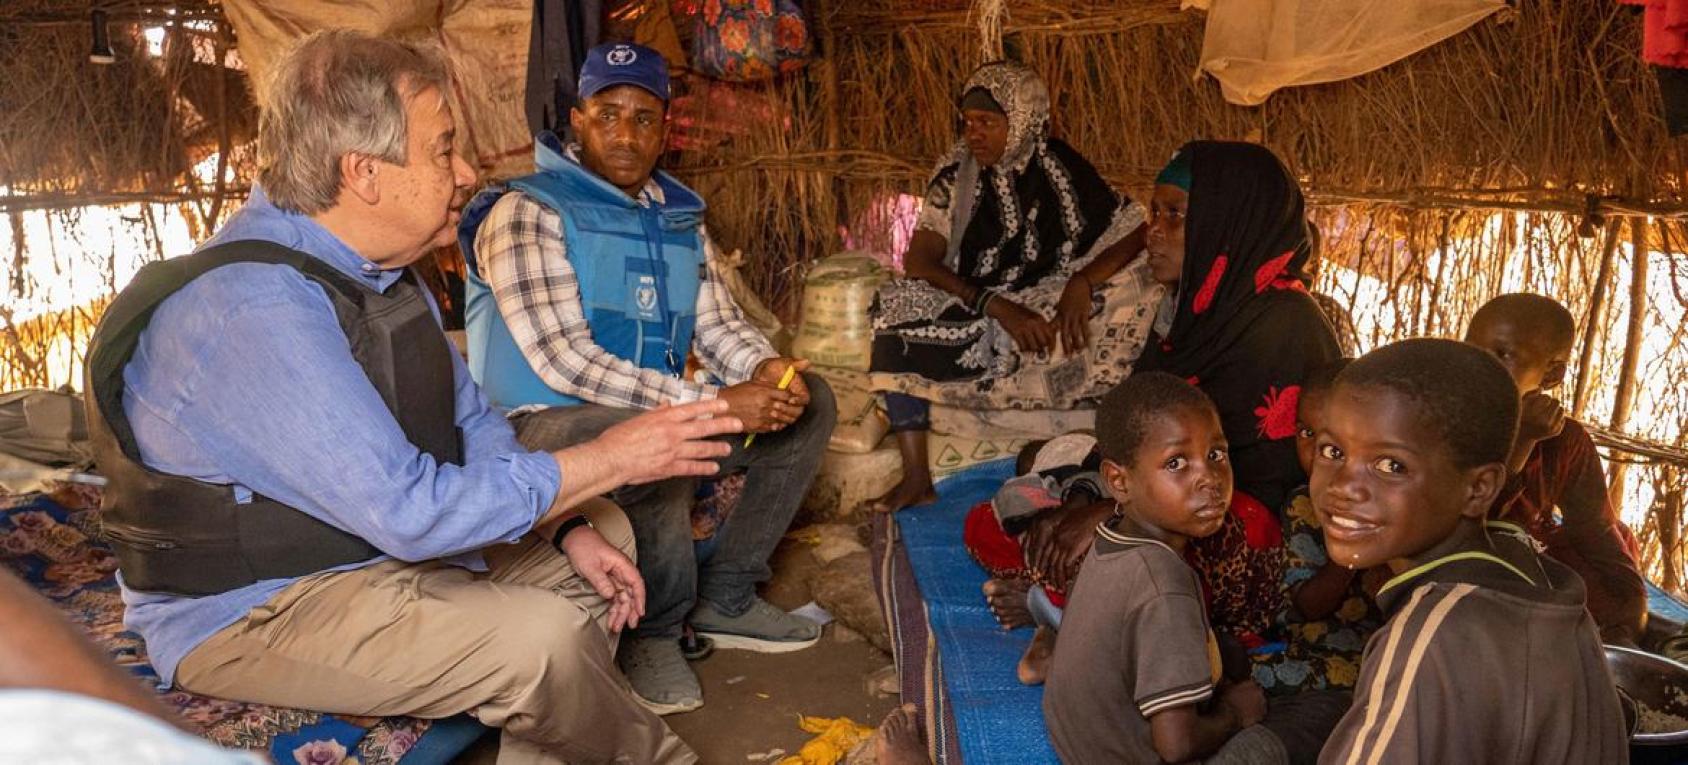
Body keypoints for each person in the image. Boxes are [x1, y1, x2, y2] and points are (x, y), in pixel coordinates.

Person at [85, 31, 733, 764]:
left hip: (365, 548)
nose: (464, 173)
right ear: (364, 173)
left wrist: (563, 527)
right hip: (262, 604)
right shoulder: (255, 309)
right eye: (444, 149)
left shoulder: (383, 272)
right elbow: (414, 514)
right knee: (540, 638)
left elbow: (473, 421)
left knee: (603, 531)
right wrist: (614, 454)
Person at [459, 42, 833, 715]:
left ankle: (725, 594)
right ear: (577, 120)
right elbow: (564, 361)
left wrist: (762, 368)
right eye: (608, 115)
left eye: (643, 118)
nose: (626, 134)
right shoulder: (526, 211)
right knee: (653, 439)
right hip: (538, 426)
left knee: (811, 405)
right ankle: (655, 628)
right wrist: (715, 401)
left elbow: (716, 323)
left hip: (656, 412)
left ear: (666, 126)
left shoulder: (676, 216)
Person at [1313, 339, 1628, 764]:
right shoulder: (1535, 578)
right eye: (1332, 451)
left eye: (1391, 465)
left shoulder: (1433, 635)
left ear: (1478, 489)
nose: (1342, 486)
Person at [864, 60, 1150, 513]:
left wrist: (1081, 282)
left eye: (987, 123)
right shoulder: (955, 176)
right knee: (896, 305)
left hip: (1052, 294)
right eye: (968, 123)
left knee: (1144, 282)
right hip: (978, 298)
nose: (974, 133)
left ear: (1021, 122)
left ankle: (1097, 426)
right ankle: (918, 475)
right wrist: (994, 304)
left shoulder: (1060, 167)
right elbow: (919, 260)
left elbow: (1133, 228)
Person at [1045, 372, 1332, 764]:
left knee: (1227, 651)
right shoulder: (1164, 586)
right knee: (1320, 715)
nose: (1209, 479)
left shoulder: (1111, 541)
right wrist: (1235, 713)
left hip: (1082, 747)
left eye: (1216, 454)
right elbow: (1177, 746)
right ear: (1119, 481)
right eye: (1177, 462)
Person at [1461, 293, 1647, 644]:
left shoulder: (1565, 439)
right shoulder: (1444, 420)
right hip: (1461, 575)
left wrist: (1631, 604)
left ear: (1552, 374)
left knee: (1602, 554)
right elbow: (1467, 528)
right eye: (1472, 350)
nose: (1480, 367)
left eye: (1503, 355)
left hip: (1525, 571)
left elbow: (1594, 529)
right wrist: (1522, 441)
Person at [1252, 359, 1382, 696]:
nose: (1312, 451)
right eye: (1305, 433)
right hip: (1314, 649)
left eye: (1332, 444)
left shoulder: (1392, 503)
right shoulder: (1303, 505)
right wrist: (1352, 551)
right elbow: (1308, 606)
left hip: (1375, 655)